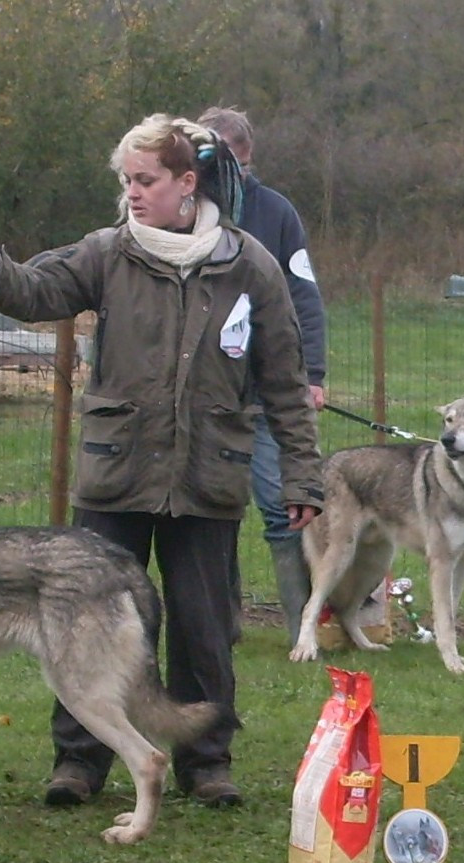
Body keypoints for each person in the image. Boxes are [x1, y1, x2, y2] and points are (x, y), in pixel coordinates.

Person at [0, 113, 325, 808]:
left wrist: (301, 475)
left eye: (146, 180)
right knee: (85, 622)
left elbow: (284, 382)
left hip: (207, 477)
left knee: (204, 624)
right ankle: (79, 761)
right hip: (116, 476)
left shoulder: (249, 265)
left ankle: (206, 762)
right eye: (127, 180)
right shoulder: (106, 252)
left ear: (188, 183)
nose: (134, 193)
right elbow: (36, 289)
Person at [196, 105, 328, 635]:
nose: (242, 178)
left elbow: (304, 295)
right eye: (233, 165)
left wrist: (312, 374)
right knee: (211, 512)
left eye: (247, 166)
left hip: (268, 389)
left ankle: (303, 627)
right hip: (206, 392)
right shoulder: (177, 212)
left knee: (285, 509)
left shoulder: (276, 213)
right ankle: (219, 626)